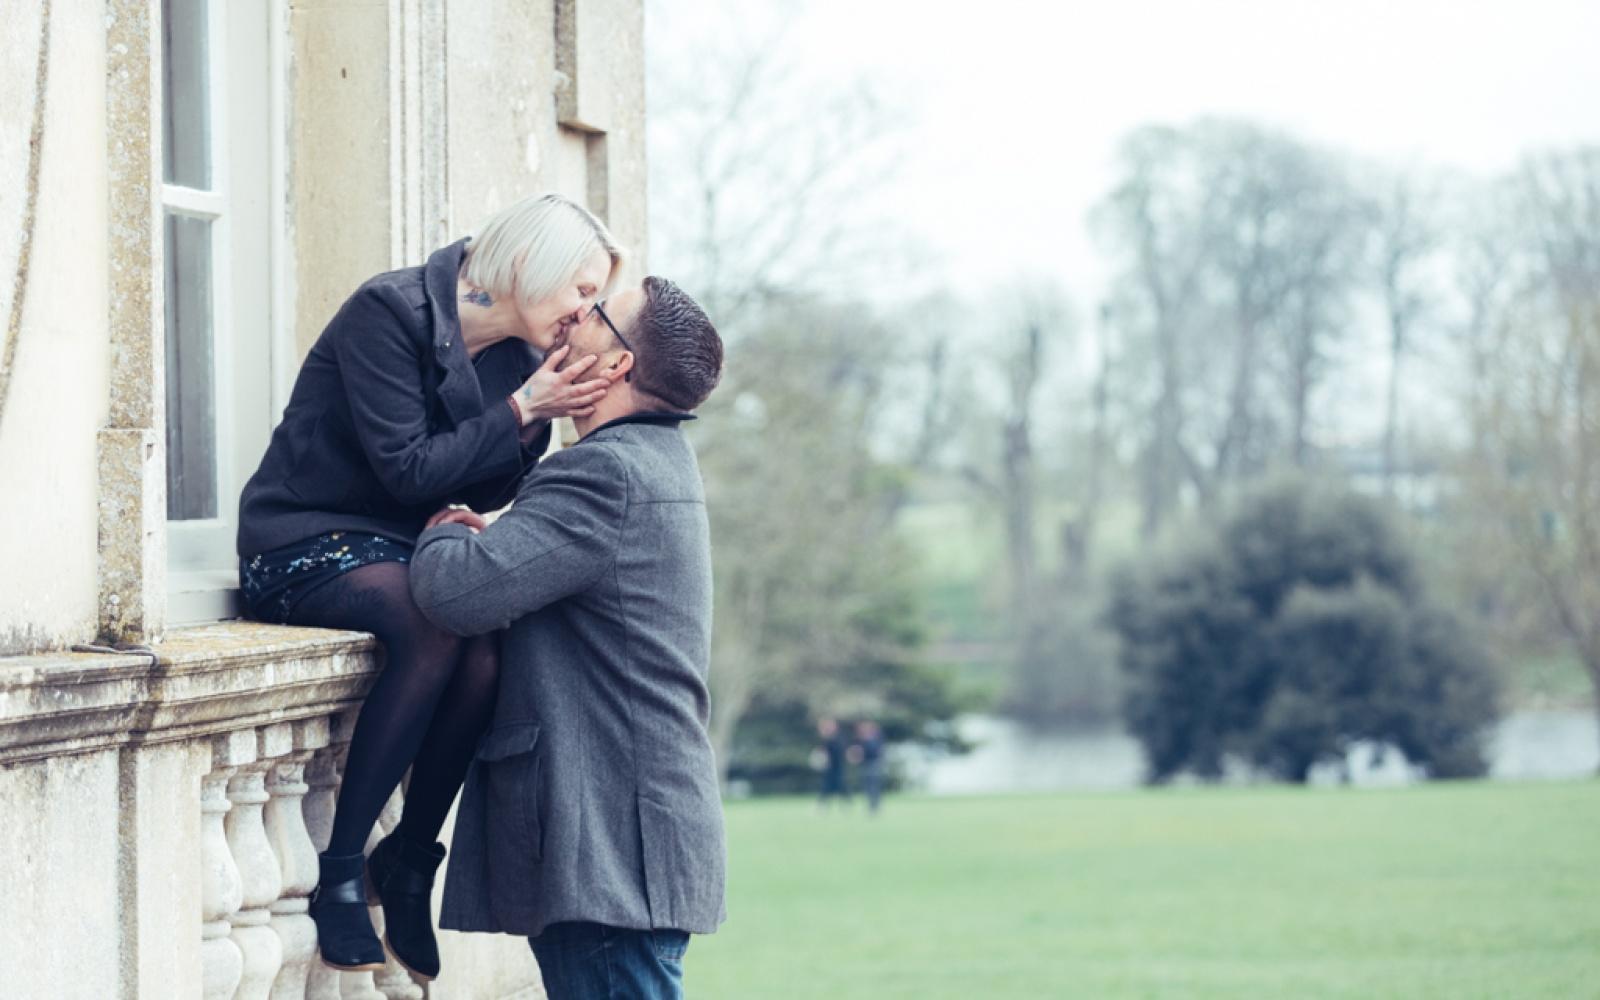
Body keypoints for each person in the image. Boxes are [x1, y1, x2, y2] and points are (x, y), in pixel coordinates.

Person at [235, 193, 622, 978]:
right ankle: (342, 871)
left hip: (397, 545)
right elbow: (408, 469)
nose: (589, 312)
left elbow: (478, 490)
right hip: (298, 536)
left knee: (485, 639)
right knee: (437, 620)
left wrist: (531, 416)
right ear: (527, 266)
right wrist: (519, 409)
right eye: (582, 290)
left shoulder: (522, 360)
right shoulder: (390, 311)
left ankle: (410, 860)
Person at [407, 276, 725, 1000]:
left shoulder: (604, 473)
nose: (576, 314)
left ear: (616, 366)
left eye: (599, 313)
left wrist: (444, 524)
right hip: (626, 844)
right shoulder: (650, 464)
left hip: (609, 848)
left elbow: (458, 593)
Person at [817, 717, 850, 808]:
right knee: (826, 786)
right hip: (829, 767)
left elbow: (839, 750)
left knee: (841, 785)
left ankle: (846, 803)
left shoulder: (838, 737)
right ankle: (823, 804)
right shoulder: (827, 738)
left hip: (838, 766)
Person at [855, 719, 886, 815]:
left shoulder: (874, 740)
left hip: (873, 765)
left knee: (873, 787)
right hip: (866, 765)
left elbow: (875, 752)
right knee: (868, 787)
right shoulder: (864, 740)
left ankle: (874, 807)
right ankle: (871, 806)